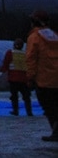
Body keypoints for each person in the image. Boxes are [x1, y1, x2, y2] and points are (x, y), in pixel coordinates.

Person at [26, 9, 58, 141]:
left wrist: (30, 77)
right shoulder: (55, 35)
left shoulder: (34, 37)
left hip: (43, 79)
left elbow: (31, 58)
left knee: (49, 108)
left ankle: (56, 133)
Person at [0, 37, 33, 117]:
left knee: (14, 96)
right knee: (26, 96)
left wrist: (2, 71)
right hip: (24, 79)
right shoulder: (25, 54)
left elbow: (6, 63)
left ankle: (15, 111)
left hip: (13, 78)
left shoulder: (10, 53)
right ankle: (29, 112)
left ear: (14, 45)